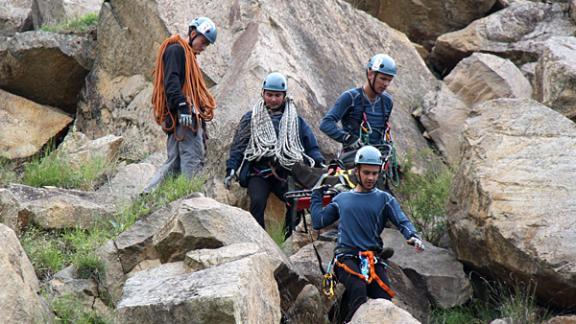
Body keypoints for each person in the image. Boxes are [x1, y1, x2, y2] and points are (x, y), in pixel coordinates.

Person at [310, 145, 424, 323]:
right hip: (346, 258)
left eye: (375, 173)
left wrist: (412, 235)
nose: (371, 177)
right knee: (358, 290)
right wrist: (316, 195)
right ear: (357, 171)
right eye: (366, 173)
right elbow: (319, 221)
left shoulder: (385, 199)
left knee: (384, 298)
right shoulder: (342, 199)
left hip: (372, 258)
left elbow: (402, 221)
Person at [224, 72, 324, 237]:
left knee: (295, 203)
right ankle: (260, 240)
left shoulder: (295, 120)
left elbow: (310, 145)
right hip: (259, 172)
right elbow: (238, 147)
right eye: (269, 94)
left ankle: (286, 239)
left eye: (277, 95)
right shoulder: (251, 118)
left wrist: (318, 161)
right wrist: (231, 169)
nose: (272, 99)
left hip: (284, 172)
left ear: (284, 96)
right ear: (262, 93)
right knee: (257, 203)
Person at [144, 17, 218, 193]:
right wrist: (183, 105)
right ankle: (190, 199)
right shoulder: (177, 50)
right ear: (193, 34)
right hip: (184, 118)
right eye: (203, 41)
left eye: (207, 44)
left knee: (175, 162)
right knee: (193, 159)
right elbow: (171, 81)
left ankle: (148, 196)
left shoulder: (185, 54)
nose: (204, 47)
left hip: (181, 118)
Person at [319, 54, 397, 160]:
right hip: (353, 158)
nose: (386, 84)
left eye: (389, 80)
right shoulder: (350, 97)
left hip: (377, 160)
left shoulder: (387, 101)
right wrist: (348, 138)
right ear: (370, 74)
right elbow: (326, 124)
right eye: (383, 79)